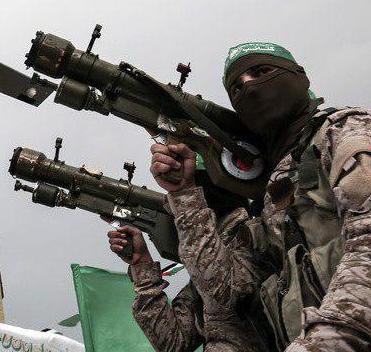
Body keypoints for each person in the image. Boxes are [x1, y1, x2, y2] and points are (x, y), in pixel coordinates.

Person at [149, 42, 371, 350]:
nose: (249, 87)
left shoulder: (346, 129)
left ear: (299, 76)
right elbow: (226, 295)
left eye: (261, 72)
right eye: (237, 88)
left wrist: (328, 340)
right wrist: (185, 193)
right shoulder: (271, 198)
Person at [108, 168, 271, 351]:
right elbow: (174, 343)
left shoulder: (254, 246)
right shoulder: (203, 282)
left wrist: (185, 200)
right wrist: (142, 264)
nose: (178, 223)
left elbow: (230, 297)